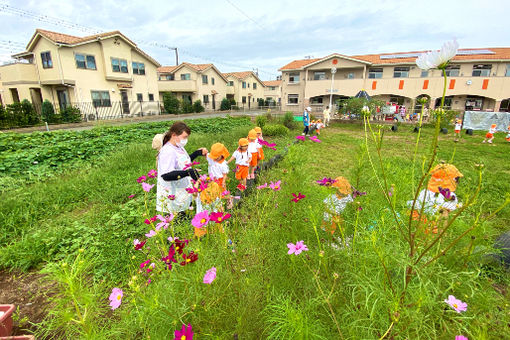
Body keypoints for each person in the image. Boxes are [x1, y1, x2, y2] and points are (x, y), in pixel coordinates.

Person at [157, 122, 208, 214]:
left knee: (184, 215)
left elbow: (183, 162)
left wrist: (197, 153)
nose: (186, 140)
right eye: (184, 137)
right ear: (174, 135)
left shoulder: (178, 146)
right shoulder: (167, 151)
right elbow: (165, 175)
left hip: (182, 191)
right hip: (172, 194)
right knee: (177, 220)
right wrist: (188, 172)